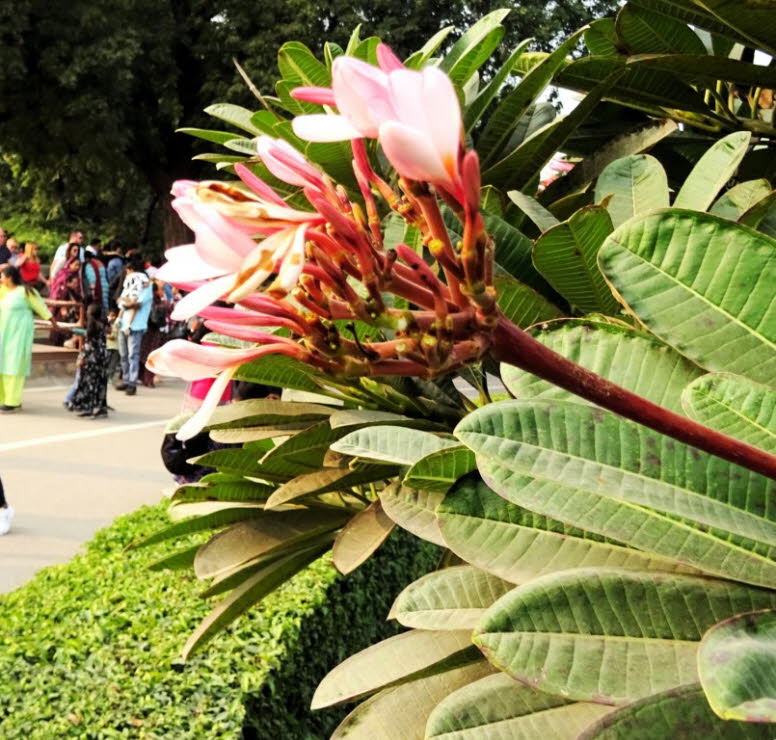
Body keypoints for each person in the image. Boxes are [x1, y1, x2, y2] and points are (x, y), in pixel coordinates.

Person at [0, 265, 58, 412]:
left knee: (14, 365)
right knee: (2, 364)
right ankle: (3, 399)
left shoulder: (26, 291)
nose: (0, 278)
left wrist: (53, 323)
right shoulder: (2, 292)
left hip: (19, 334)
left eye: (2, 276)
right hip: (3, 333)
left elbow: (41, 307)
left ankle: (13, 401)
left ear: (10, 277)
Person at [116, 253, 152, 396]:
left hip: (136, 325)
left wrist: (126, 304)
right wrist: (124, 304)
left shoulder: (146, 285)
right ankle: (126, 379)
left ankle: (132, 382)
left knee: (133, 354)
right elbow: (121, 299)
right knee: (123, 354)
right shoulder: (130, 283)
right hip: (123, 322)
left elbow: (137, 304)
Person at [70, 303, 109, 418]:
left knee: (89, 383)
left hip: (92, 359)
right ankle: (101, 407)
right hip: (102, 357)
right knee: (100, 382)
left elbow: (87, 346)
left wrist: (81, 359)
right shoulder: (102, 325)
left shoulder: (92, 326)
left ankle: (89, 407)